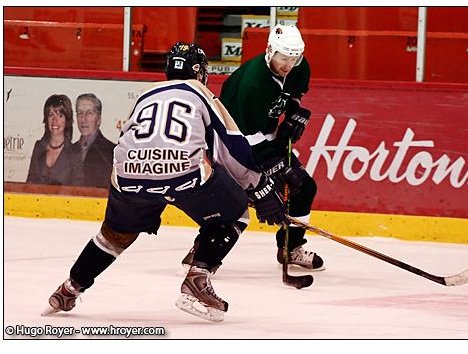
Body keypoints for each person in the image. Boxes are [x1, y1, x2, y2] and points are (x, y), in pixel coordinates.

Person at [42, 42, 288, 322]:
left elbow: (126, 142)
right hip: (182, 171)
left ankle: (69, 289)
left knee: (113, 237)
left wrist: (147, 199)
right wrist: (259, 187)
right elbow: (231, 146)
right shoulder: (200, 92)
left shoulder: (146, 94)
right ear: (199, 71)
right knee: (236, 214)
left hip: (128, 174)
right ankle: (198, 276)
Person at [183, 24, 324, 271]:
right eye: (283, 57)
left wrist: (293, 113)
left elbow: (294, 93)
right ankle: (201, 252)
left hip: (262, 136)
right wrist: (276, 165)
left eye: (294, 58)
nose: (288, 64)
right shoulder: (252, 83)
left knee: (304, 187)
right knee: (233, 202)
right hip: (232, 144)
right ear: (270, 50)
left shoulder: (299, 67)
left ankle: (290, 248)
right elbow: (243, 138)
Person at [26, 94, 84, 186]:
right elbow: (30, 183)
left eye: (60, 115)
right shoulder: (38, 147)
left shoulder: (75, 152)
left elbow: (77, 190)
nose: (54, 120)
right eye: (51, 115)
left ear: (67, 120)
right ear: (46, 119)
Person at [73, 93, 116, 188]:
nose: (83, 119)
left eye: (89, 113)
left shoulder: (112, 152)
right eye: (80, 113)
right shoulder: (69, 150)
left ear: (99, 119)